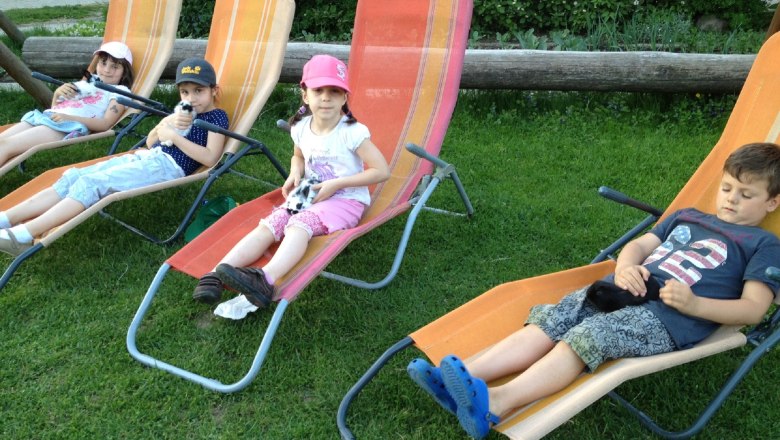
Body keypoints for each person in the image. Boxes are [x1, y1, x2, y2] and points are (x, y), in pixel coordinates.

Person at [407, 142, 780, 439]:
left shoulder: (764, 244)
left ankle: (497, 404)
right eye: (727, 188)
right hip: (620, 288)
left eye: (746, 195)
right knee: (555, 318)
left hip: (668, 316)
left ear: (772, 203)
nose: (730, 199)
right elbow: (640, 245)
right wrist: (626, 265)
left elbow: (752, 310)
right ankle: (460, 376)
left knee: (589, 335)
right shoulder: (688, 215)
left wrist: (695, 303)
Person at [192, 54, 390, 306]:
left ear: (344, 97)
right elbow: (298, 157)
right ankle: (216, 273)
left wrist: (336, 184)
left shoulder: (352, 132)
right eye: (319, 90)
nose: (326, 97)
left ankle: (264, 279)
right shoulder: (301, 128)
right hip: (309, 191)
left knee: (299, 224)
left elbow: (381, 171)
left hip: (345, 198)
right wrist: (294, 173)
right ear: (305, 95)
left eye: (335, 91)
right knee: (271, 224)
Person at [0, 57, 229, 256]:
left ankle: (25, 235)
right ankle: (6, 218)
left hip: (167, 167)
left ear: (214, 91)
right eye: (185, 92)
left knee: (93, 183)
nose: (191, 98)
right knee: (73, 176)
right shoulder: (184, 112)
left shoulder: (216, 117)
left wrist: (175, 137)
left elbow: (210, 158)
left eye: (198, 91)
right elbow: (151, 142)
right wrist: (163, 125)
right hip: (147, 157)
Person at [0, 41, 135, 167]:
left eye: (115, 67)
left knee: (6, 145)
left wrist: (69, 119)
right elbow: (56, 108)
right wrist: (57, 94)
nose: (106, 70)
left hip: (65, 127)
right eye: (103, 63)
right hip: (47, 117)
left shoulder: (120, 92)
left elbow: (106, 124)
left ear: (125, 72)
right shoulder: (88, 82)